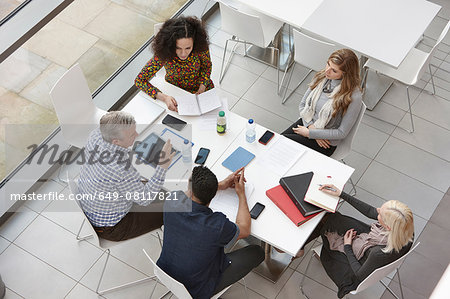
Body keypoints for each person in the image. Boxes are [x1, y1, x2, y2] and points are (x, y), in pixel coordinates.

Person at [157, 166, 265, 299]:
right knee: (257, 252)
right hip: (196, 289)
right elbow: (245, 228)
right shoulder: (217, 225)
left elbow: (186, 194)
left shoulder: (172, 200)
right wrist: (241, 194)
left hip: (164, 272)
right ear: (212, 196)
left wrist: (221, 185)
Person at [301, 184, 414, 298]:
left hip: (355, 268)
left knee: (326, 226)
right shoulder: (405, 229)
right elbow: (370, 211)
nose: (377, 211)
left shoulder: (378, 253)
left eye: (380, 214)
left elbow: (359, 275)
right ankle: (302, 244)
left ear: (388, 227)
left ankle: (299, 247)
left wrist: (347, 246)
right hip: (370, 247)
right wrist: (341, 194)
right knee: (332, 219)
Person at [77, 111, 175, 241]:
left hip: (92, 206)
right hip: (114, 227)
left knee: (159, 188)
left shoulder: (96, 134)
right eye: (132, 134)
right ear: (116, 141)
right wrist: (163, 166)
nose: (137, 135)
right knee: (177, 205)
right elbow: (144, 199)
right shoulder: (120, 168)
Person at [282, 49, 362, 157]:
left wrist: (311, 134)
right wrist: (312, 130)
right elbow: (302, 105)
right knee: (278, 141)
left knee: (283, 143)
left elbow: (342, 132)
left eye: (334, 71)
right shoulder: (322, 78)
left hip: (326, 142)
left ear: (346, 74)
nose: (327, 71)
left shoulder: (353, 96)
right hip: (308, 123)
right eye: (328, 64)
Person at [135, 16, 214, 112]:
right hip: (175, 93)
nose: (183, 54)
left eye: (188, 48)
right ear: (171, 44)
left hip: (201, 90)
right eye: (178, 48)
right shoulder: (165, 53)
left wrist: (202, 86)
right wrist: (164, 98)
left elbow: (206, 66)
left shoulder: (200, 47)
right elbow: (140, 80)